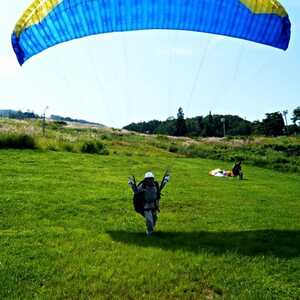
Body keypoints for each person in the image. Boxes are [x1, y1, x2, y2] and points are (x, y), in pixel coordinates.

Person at [128, 171, 170, 236]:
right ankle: (149, 234)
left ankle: (151, 229)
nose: (149, 180)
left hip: (153, 205)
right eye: (148, 179)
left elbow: (160, 187)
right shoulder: (142, 186)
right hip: (145, 206)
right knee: (149, 220)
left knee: (154, 219)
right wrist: (131, 184)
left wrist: (166, 179)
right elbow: (136, 192)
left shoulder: (155, 185)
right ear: (145, 179)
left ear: (153, 179)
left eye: (151, 179)